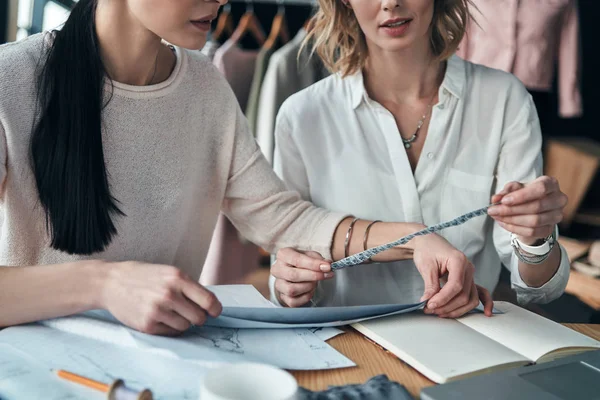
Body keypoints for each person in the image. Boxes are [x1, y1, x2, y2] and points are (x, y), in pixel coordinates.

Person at [0, 0, 489, 336]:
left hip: (163, 372)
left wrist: (415, 238)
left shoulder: (205, 90)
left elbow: (285, 220)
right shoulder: (10, 82)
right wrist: (105, 284)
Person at [269, 0, 570, 316]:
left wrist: (536, 238)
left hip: (461, 347)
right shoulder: (302, 116)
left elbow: (539, 288)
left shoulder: (503, 100)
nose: (391, 4)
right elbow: (285, 270)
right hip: (348, 348)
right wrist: (289, 285)